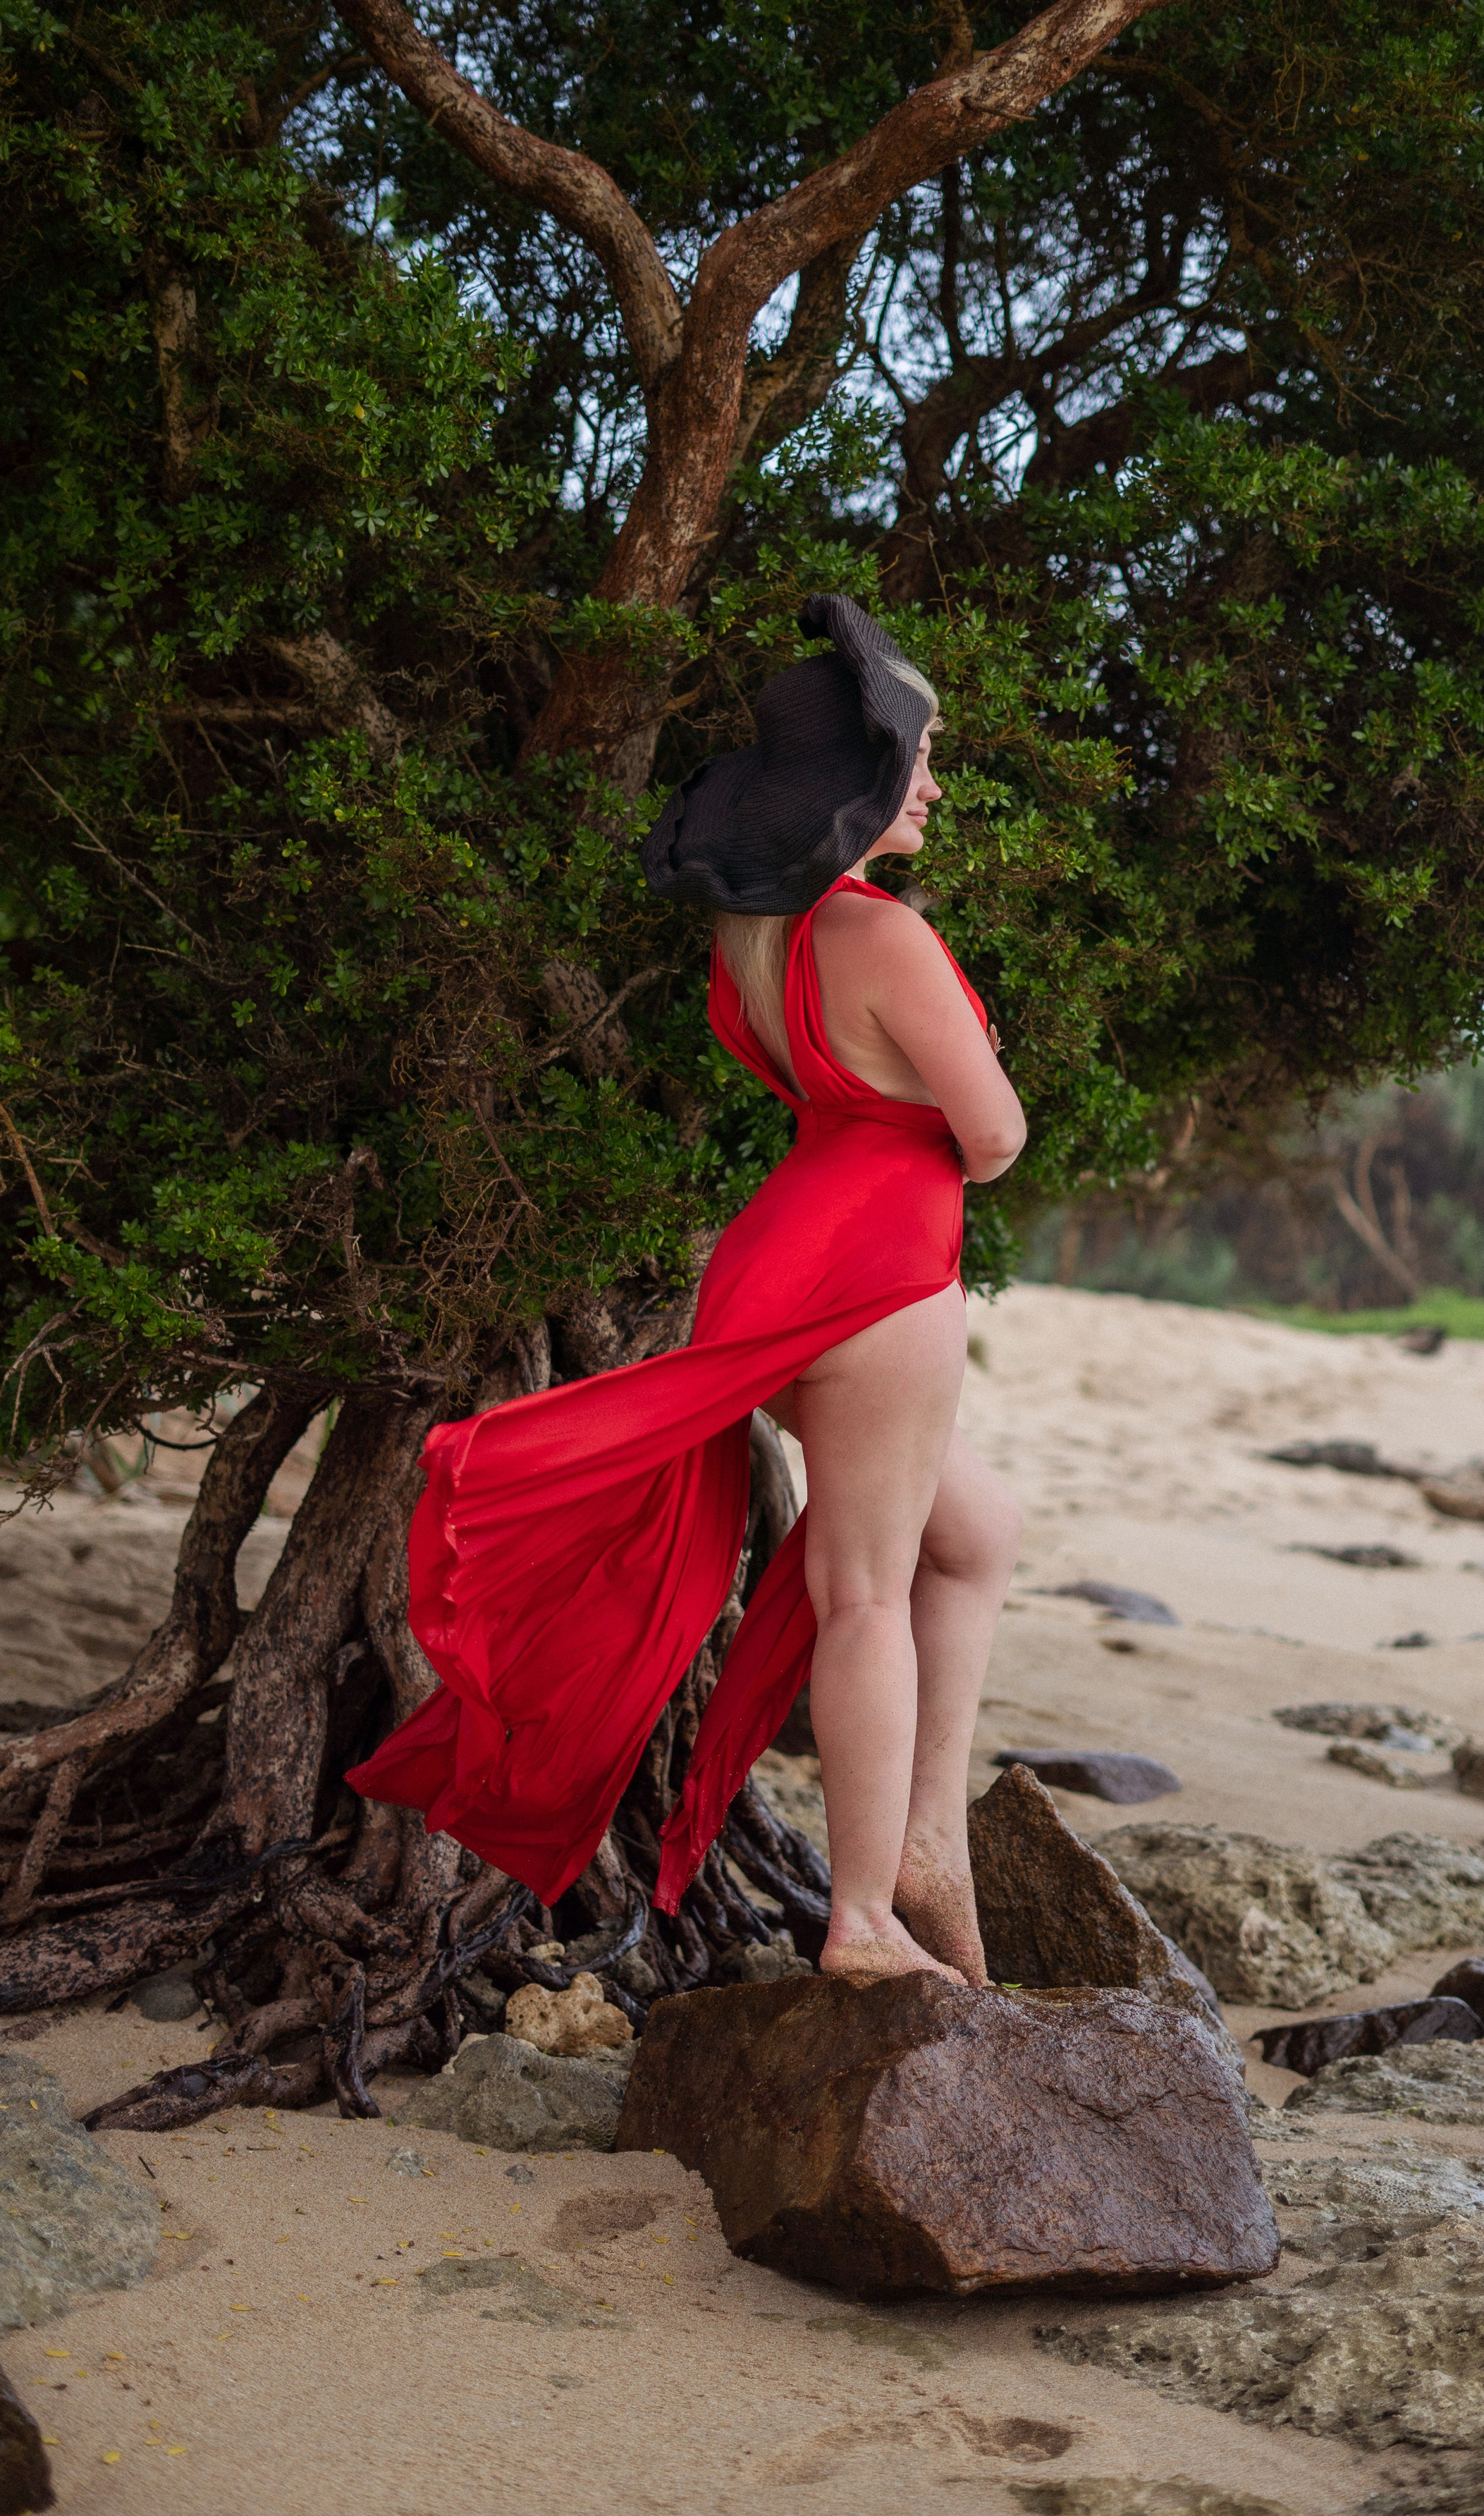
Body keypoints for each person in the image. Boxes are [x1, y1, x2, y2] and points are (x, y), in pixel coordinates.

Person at [348, 593, 1026, 1985]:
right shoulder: (880, 935)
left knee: (971, 1534)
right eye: (921, 756)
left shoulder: (757, 935)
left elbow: (838, 1086)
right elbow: (996, 1137)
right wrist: (972, 1056)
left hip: (781, 1253)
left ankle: (925, 1844)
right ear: (858, 781)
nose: (937, 783)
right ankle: (858, 1916)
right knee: (860, 1588)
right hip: (878, 1272)